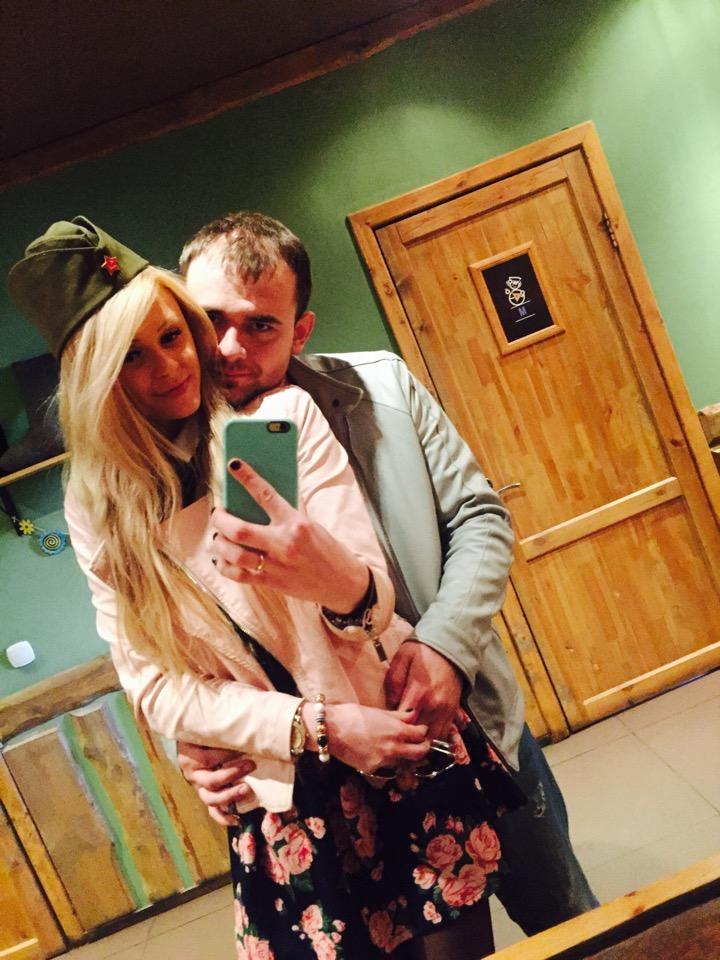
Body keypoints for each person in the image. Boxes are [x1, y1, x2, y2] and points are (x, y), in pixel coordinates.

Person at [9, 217, 510, 959]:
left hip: (394, 739)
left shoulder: (280, 419)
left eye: (172, 336)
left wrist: (335, 581)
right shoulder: (98, 507)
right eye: (131, 356)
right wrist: (311, 727)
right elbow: (154, 687)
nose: (171, 367)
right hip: (281, 793)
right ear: (96, 379)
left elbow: (373, 609)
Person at [176, 212, 598, 936]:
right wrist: (193, 741)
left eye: (261, 325)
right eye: (211, 320)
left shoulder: (382, 388)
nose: (228, 348)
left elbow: (480, 517)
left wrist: (445, 647)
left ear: (300, 331)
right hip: (333, 793)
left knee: (571, 925)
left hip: (468, 720)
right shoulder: (159, 458)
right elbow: (163, 636)